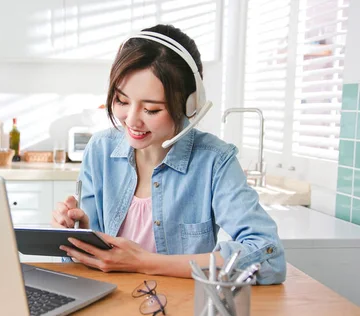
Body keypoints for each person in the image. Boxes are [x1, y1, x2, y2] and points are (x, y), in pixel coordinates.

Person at [51, 24, 286, 285]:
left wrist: (143, 263)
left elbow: (269, 257)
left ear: (190, 105)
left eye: (151, 109)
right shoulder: (100, 150)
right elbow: (91, 263)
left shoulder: (215, 161)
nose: (131, 121)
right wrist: (80, 234)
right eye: (122, 101)